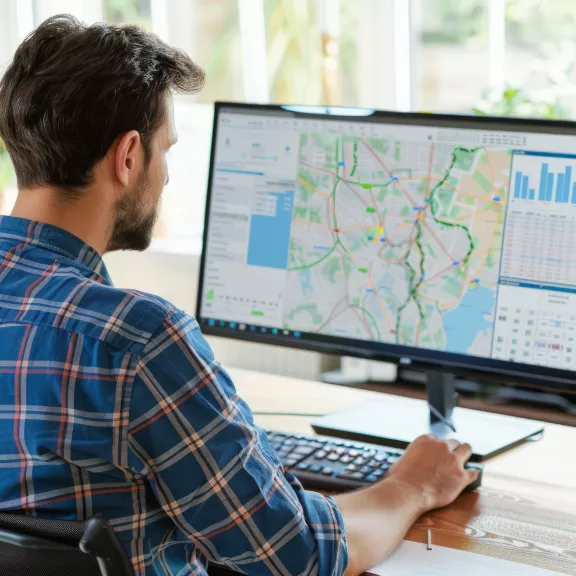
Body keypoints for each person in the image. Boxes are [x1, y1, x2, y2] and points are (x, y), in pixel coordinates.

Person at [0, 15, 479, 576]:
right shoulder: (136, 340)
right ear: (128, 157)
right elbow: (291, 555)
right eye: (165, 149)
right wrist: (413, 484)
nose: (167, 176)